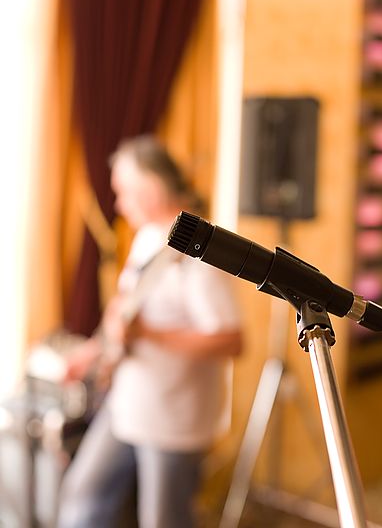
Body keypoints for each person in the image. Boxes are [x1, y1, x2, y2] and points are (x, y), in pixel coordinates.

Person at [56, 134, 243, 528]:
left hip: (173, 419)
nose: (119, 204)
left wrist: (152, 336)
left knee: (163, 520)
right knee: (83, 496)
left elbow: (232, 341)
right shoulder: (146, 238)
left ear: (151, 189)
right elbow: (126, 313)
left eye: (124, 192)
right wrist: (92, 352)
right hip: (127, 402)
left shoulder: (198, 255)